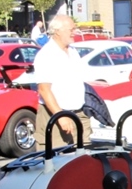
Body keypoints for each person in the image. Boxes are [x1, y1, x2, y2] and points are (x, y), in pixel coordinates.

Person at [33, 14, 91, 151]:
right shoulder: (46, 54)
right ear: (57, 31)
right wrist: (60, 116)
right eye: (71, 29)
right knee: (56, 160)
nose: (74, 32)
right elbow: (44, 89)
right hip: (55, 115)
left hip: (78, 114)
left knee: (84, 158)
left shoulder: (73, 51)